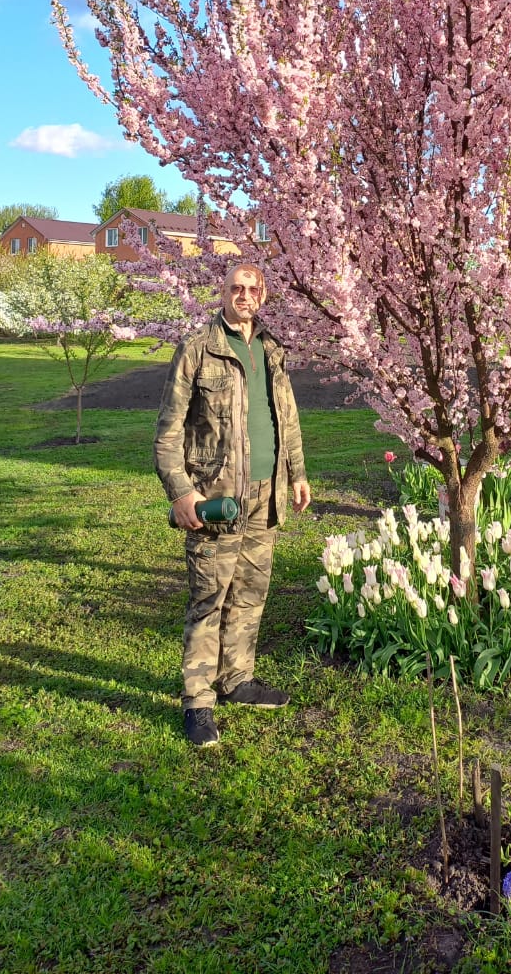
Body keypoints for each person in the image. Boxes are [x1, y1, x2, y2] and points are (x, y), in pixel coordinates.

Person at [154, 262, 311, 747]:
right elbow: (167, 433)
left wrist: (298, 473)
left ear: (261, 296)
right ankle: (198, 701)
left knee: (249, 595)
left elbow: (285, 415)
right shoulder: (199, 349)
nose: (244, 296)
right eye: (235, 288)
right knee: (209, 599)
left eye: (251, 289)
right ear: (221, 294)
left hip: (267, 497)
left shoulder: (270, 348)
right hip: (216, 498)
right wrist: (182, 493)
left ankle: (237, 679)